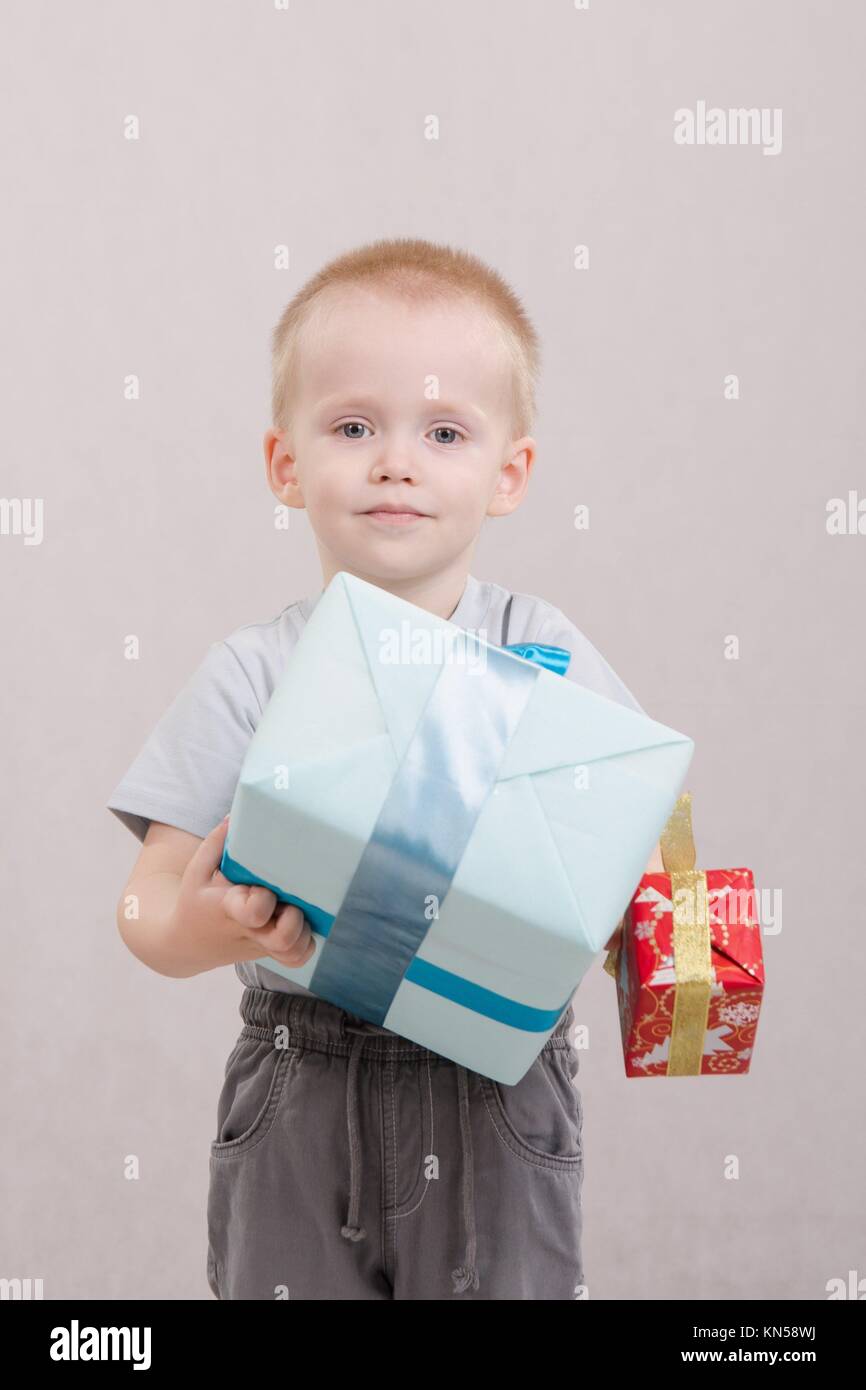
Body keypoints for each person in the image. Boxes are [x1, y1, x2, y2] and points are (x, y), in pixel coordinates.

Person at [107, 236, 663, 1300]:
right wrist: (210, 923)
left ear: (509, 474)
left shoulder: (539, 653)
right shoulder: (252, 673)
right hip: (299, 1081)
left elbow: (639, 838)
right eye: (353, 426)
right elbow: (142, 911)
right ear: (284, 464)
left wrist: (654, 943)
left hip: (496, 1092)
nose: (395, 460)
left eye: (443, 431)